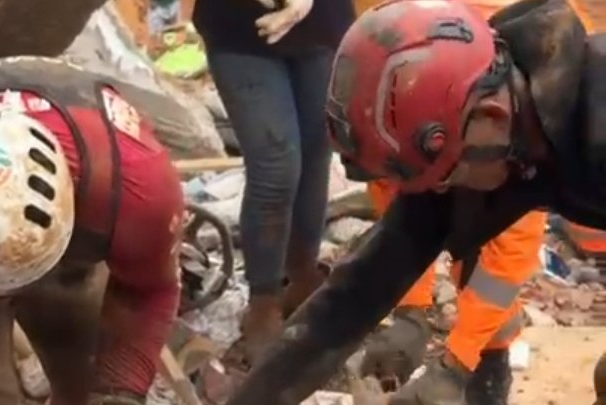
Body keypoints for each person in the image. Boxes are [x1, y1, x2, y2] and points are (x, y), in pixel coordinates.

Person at [224, 0, 606, 404]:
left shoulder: (584, 124)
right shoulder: (484, 128)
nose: (439, 194)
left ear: (492, 118)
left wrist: (458, 363)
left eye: (443, 177)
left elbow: (505, 261)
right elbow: (355, 294)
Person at [0, 56, 184, 405]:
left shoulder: (135, 182)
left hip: (79, 229)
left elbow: (149, 292)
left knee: (85, 370)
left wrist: (120, 388)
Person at [191, 0, 355, 364]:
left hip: (323, 24)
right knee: (275, 166)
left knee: (315, 156)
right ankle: (263, 300)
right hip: (239, 29)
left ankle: (302, 279)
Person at [364, 179, 546, 404]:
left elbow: (503, 273)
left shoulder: (521, 174)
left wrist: (455, 366)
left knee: (485, 284)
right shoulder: (386, 164)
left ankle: (489, 368)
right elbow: (402, 227)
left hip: (524, 189)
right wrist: (410, 312)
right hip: (456, 182)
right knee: (469, 259)